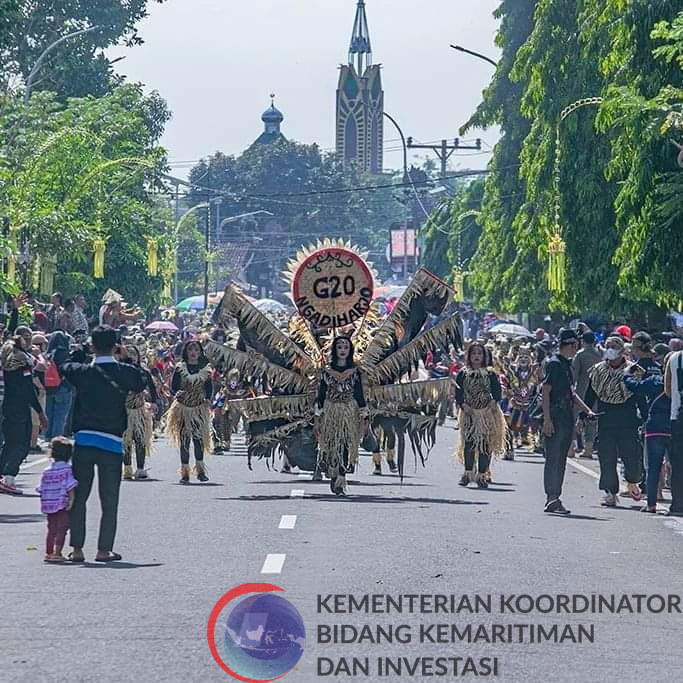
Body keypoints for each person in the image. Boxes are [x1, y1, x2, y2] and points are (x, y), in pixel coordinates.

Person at [60, 325, 145, 562]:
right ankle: (103, 550)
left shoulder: (83, 371)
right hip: (112, 443)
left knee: (79, 497)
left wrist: (79, 351)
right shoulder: (124, 371)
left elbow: (64, 366)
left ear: (92, 345)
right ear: (116, 345)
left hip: (84, 440)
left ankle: (76, 549)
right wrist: (127, 357)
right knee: (109, 499)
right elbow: (141, 381)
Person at [585, 335, 643, 507]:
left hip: (628, 419)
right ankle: (610, 492)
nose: (610, 349)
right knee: (607, 458)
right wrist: (584, 414)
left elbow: (640, 396)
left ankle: (633, 482)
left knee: (631, 455)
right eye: (608, 346)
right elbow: (590, 394)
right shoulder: (597, 370)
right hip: (606, 418)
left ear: (622, 350)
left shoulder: (634, 370)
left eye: (614, 346)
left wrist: (645, 416)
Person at [542, 329, 594, 515]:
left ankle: (555, 497)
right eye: (575, 345)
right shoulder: (554, 364)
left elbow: (571, 393)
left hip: (566, 416)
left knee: (561, 459)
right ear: (571, 345)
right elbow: (546, 391)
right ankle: (552, 497)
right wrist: (547, 419)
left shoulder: (566, 364)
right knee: (553, 458)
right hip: (555, 415)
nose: (576, 348)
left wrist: (587, 410)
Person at [314, 336, 368, 496]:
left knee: (344, 442)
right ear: (335, 350)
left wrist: (365, 418)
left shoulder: (356, 372)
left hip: (348, 412)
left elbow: (359, 395)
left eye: (345, 347)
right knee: (331, 444)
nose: (343, 350)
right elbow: (321, 395)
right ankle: (333, 470)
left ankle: (340, 478)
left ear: (350, 350)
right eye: (339, 347)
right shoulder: (326, 371)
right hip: (330, 411)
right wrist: (317, 419)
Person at [0, 325, 48, 494]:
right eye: (26, 337)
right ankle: (8, 477)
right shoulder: (20, 359)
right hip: (18, 407)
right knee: (21, 445)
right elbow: (27, 388)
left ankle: (3, 476)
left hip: (10, 405)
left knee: (10, 444)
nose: (29, 340)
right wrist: (41, 413)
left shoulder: (10, 354)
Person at [454, 342, 507, 489]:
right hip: (469, 413)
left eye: (479, 354)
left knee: (485, 445)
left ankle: (482, 475)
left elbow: (497, 393)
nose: (476, 356)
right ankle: (468, 474)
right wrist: (463, 406)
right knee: (469, 444)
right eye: (474, 354)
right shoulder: (463, 373)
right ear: (469, 356)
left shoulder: (490, 374)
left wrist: (492, 404)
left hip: (487, 414)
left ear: (484, 356)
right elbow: (458, 393)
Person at [625, 366, 671, 513]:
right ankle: (678, 503)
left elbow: (635, 387)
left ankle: (651, 504)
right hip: (675, 428)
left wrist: (627, 374)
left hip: (655, 429)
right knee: (677, 468)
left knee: (653, 467)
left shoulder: (656, 381)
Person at [167, 340, 213, 484]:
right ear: (186, 352)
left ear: (200, 353)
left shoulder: (205, 369)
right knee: (184, 441)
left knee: (199, 440)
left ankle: (200, 471)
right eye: (190, 350)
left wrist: (208, 398)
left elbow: (209, 388)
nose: (193, 353)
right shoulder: (180, 368)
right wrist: (176, 392)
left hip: (198, 409)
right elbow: (173, 387)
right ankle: (185, 473)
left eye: (196, 350)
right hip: (183, 408)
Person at [36, 437, 78, 563]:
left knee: (51, 529)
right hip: (61, 503)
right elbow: (69, 486)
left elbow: (41, 488)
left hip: (48, 504)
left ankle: (48, 552)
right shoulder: (66, 469)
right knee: (62, 528)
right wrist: (71, 500)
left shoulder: (47, 471)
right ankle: (57, 552)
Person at [119, 346, 157, 481]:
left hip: (140, 410)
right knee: (126, 441)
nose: (132, 356)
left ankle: (140, 469)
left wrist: (154, 402)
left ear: (138, 356)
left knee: (140, 439)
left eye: (134, 354)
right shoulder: (119, 371)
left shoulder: (143, 372)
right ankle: (127, 468)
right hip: (124, 411)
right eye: (129, 354)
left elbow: (152, 388)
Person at [571, 332, 602, 458]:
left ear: (583, 341)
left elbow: (574, 374)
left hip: (581, 391)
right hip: (596, 391)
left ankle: (571, 448)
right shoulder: (599, 355)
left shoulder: (580, 354)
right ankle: (588, 448)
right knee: (592, 420)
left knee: (573, 418)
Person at [44, 331, 73, 440]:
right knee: (60, 415)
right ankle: (56, 438)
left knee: (49, 413)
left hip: (49, 386)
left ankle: (48, 436)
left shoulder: (48, 354)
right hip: (63, 386)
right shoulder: (64, 353)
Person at [664, 349, 683, 516]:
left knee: (678, 464)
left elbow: (668, 389)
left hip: (677, 416)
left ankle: (677, 504)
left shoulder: (675, 358)